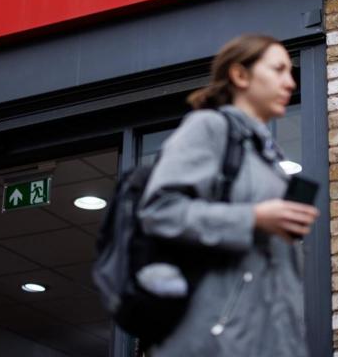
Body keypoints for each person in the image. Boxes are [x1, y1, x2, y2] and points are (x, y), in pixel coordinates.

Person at [137, 34, 320, 356]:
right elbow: (159, 211)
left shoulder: (269, 158)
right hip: (213, 342)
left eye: (291, 72)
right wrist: (253, 218)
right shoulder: (207, 127)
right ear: (240, 75)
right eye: (278, 70)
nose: (290, 83)